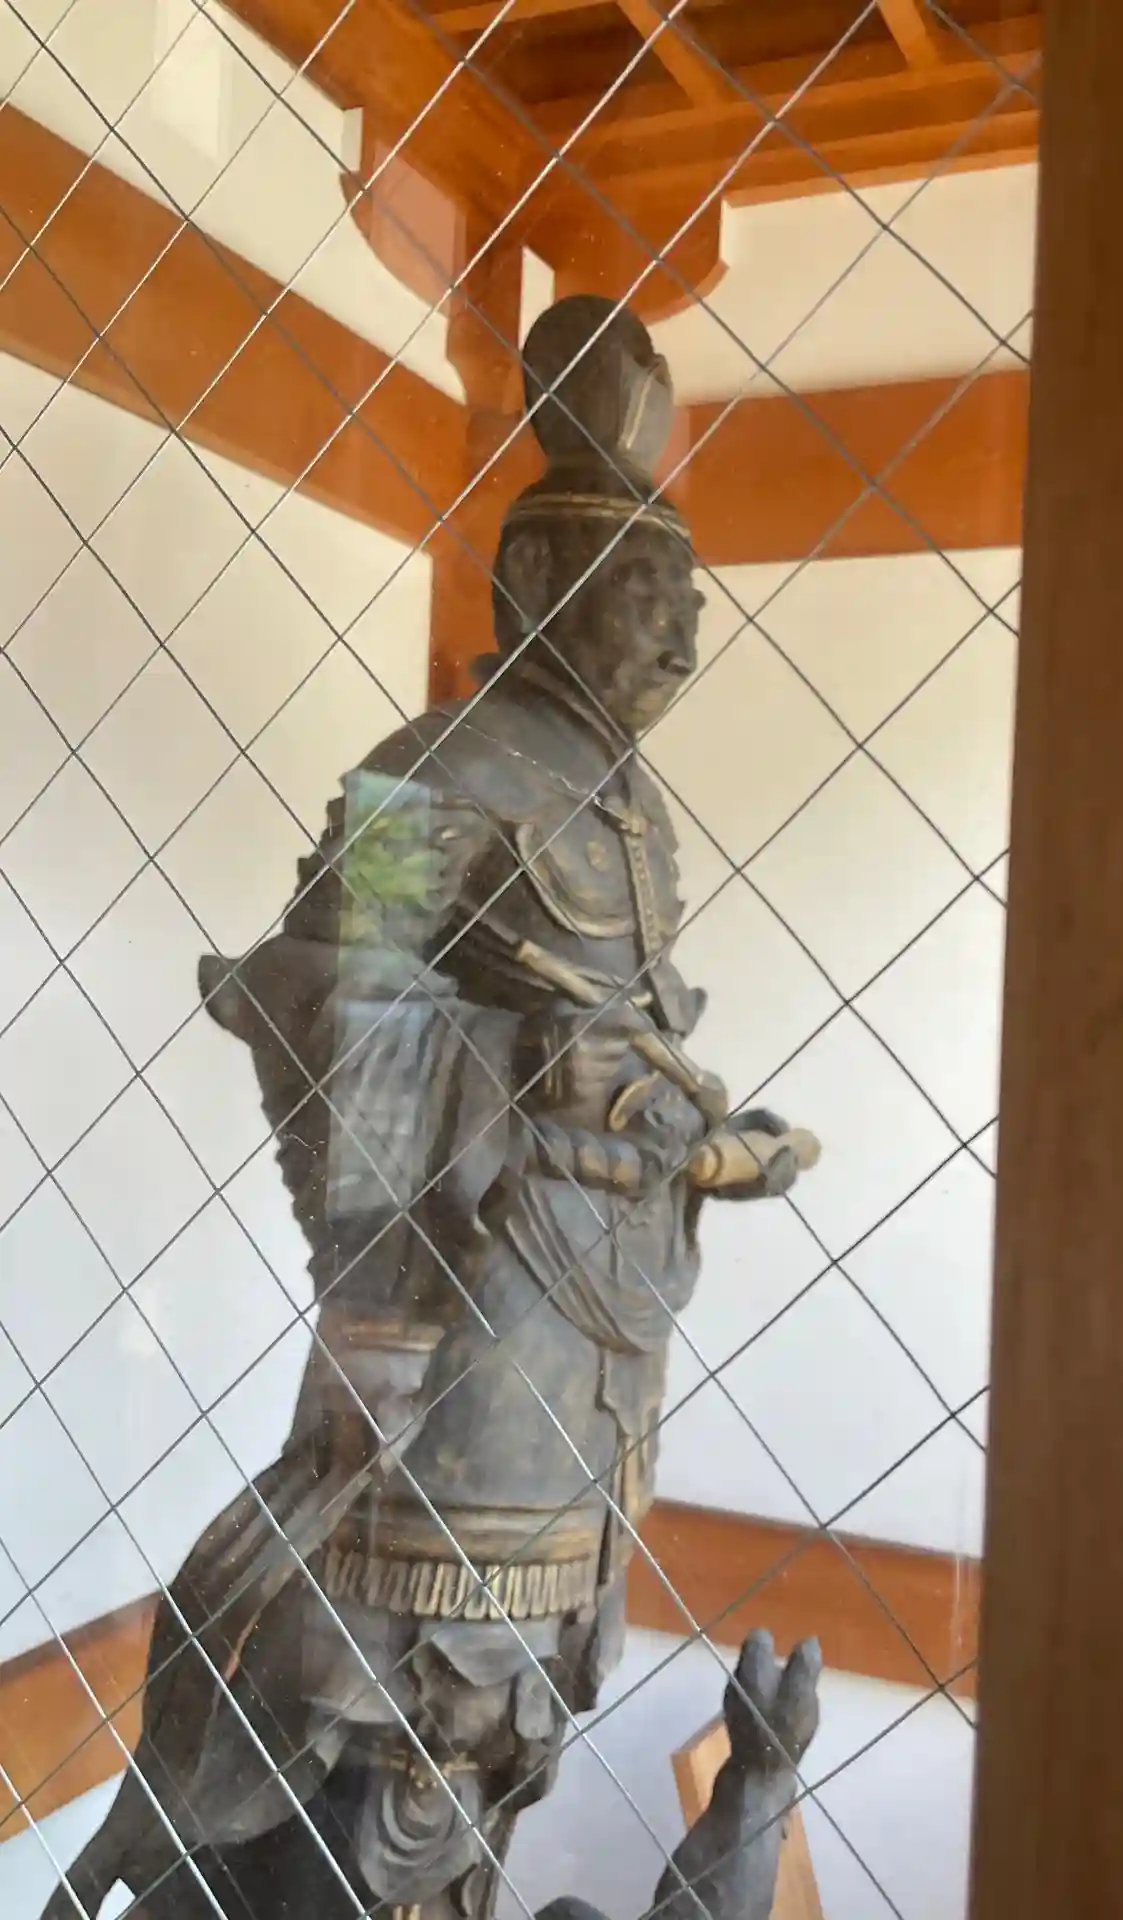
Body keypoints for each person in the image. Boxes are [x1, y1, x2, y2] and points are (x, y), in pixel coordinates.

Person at [43, 296, 816, 1919]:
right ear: (536, 586)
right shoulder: (439, 768)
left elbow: (620, 1045)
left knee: (507, 1718)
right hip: (453, 1339)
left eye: (693, 612)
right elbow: (311, 997)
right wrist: (526, 1081)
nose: (682, 647)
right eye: (649, 604)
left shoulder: (632, 815)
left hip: (592, 1356)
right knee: (398, 1724)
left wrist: (685, 1133)